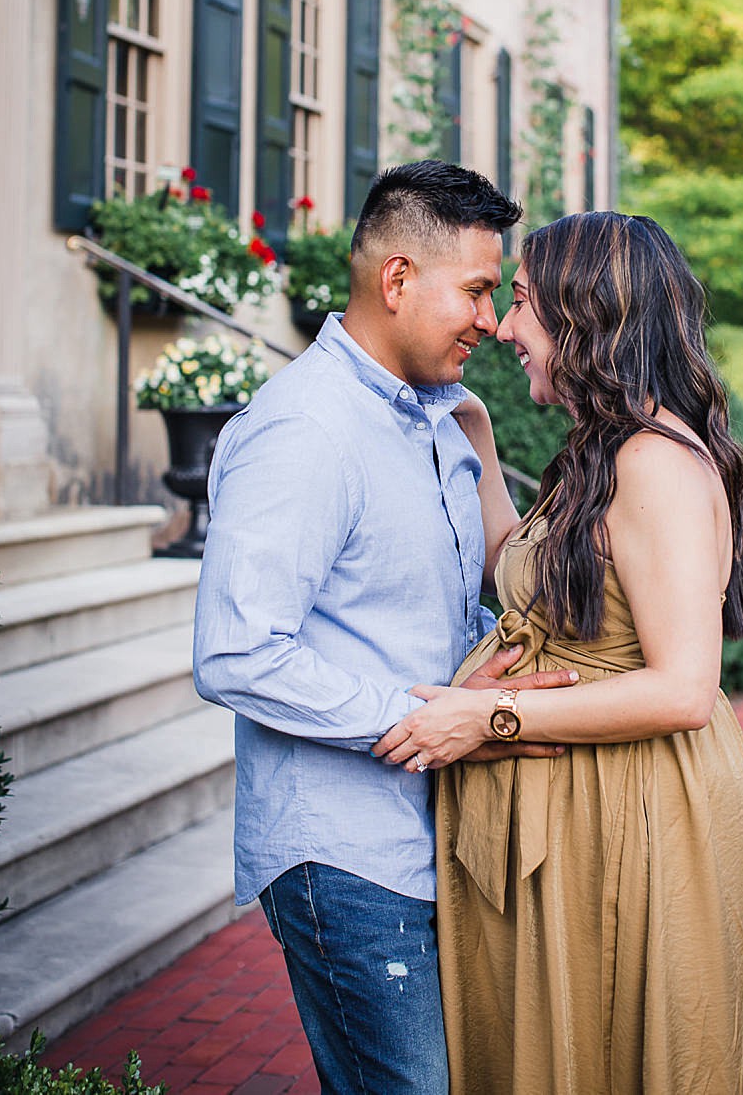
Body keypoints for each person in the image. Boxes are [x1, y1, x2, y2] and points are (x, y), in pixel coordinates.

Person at [374, 211, 743, 1095]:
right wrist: (480, 442)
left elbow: (685, 688)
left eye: (523, 302)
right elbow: (519, 577)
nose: (502, 327)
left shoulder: (658, 464)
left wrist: (485, 716)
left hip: (639, 815)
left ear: (587, 315)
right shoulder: (598, 454)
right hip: (583, 808)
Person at [193, 161, 575, 1095]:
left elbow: (427, 606)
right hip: (345, 855)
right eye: (479, 291)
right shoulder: (305, 432)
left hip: (425, 838)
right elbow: (237, 653)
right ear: (397, 280)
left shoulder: (439, 421)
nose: (492, 320)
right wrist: (434, 716)